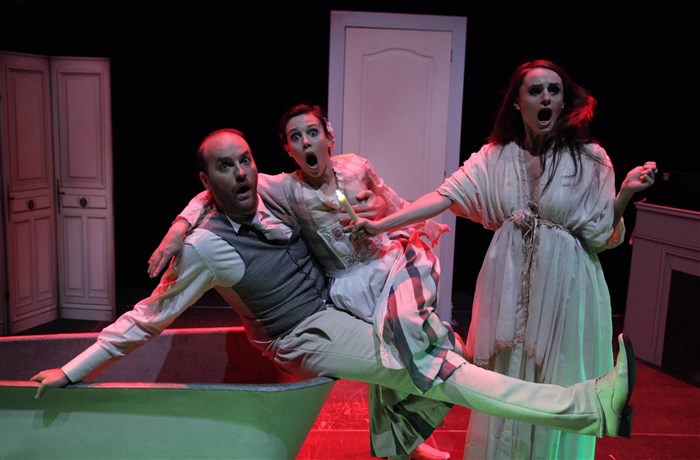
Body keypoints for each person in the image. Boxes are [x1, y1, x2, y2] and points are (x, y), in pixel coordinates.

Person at [32, 129, 637, 460]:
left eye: (245, 160)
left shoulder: (273, 191)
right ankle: (588, 406)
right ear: (205, 180)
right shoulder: (206, 248)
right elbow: (148, 316)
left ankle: (393, 440)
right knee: (440, 368)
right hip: (303, 335)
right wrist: (72, 370)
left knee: (440, 344)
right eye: (224, 167)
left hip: (338, 306)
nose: (240, 173)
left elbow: (245, 191)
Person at [351, 59, 655, 459]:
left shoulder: (590, 158)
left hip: (566, 288)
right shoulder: (495, 158)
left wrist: (625, 194)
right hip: (507, 286)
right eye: (535, 91)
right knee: (504, 377)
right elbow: (442, 197)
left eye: (554, 90)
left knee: (556, 376)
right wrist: (379, 224)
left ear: (564, 102)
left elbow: (599, 234)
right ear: (517, 102)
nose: (546, 98)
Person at [149, 104, 461, 459]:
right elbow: (209, 194)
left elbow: (391, 201)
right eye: (296, 138)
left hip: (389, 263)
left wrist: (379, 206)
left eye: (313, 133)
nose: (306, 142)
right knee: (389, 361)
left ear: (329, 138)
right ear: (289, 150)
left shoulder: (356, 165)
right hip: (352, 288)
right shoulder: (286, 188)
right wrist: (179, 227)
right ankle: (405, 442)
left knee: (419, 347)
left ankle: (409, 432)